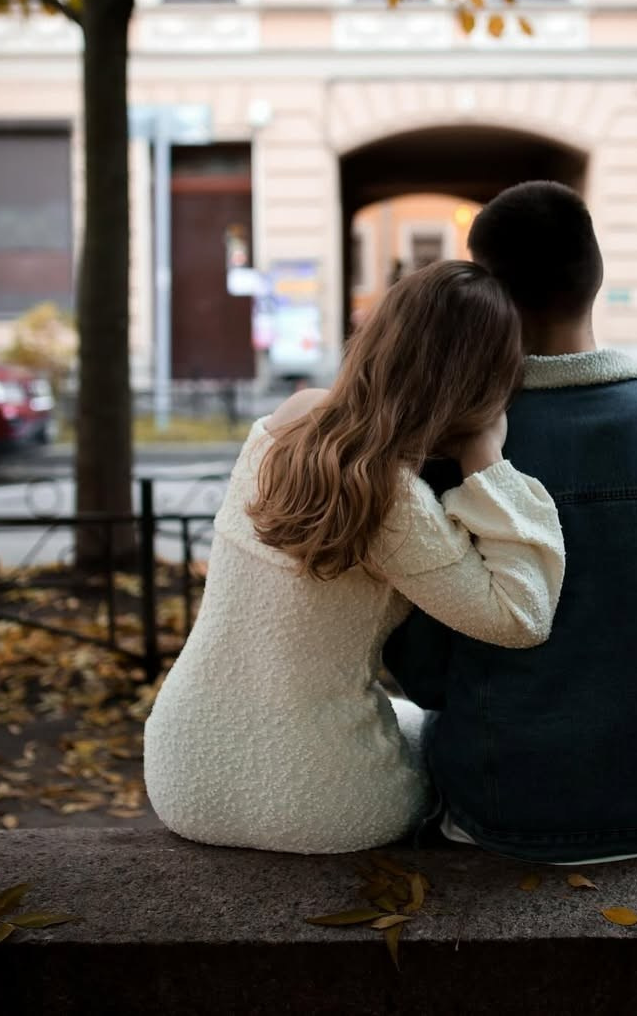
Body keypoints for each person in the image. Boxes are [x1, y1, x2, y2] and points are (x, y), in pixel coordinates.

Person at [385, 181, 637, 864]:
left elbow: (425, 673)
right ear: (596, 277)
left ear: (488, 292)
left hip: (500, 808)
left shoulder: (451, 452)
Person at [144, 260, 565, 854]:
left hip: (181, 768)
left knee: (394, 716)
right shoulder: (397, 504)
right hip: (326, 803)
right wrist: (488, 464)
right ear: (484, 382)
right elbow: (522, 616)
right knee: (443, 737)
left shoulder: (287, 423)